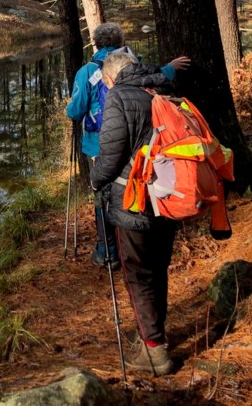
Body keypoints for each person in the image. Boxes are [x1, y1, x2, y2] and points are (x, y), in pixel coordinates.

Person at [65, 23, 189, 269]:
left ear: (97, 43)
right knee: (131, 189)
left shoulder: (87, 71)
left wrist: (70, 108)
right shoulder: (132, 62)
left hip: (99, 145)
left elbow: (76, 111)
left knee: (103, 195)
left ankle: (107, 252)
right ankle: (134, 244)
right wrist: (171, 68)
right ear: (120, 40)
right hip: (136, 141)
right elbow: (154, 77)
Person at [90, 50, 179, 377]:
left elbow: (111, 155)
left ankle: (155, 352)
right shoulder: (163, 89)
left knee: (138, 274)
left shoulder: (118, 97)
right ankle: (153, 337)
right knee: (158, 270)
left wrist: (95, 178)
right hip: (169, 198)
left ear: (111, 77)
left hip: (135, 200)